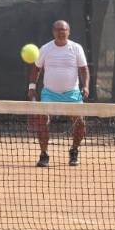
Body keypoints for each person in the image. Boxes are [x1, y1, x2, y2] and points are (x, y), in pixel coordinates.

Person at [28, 19, 89, 168]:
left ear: (69, 32)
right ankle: (44, 154)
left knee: (80, 122)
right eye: (58, 30)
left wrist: (86, 86)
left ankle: (74, 151)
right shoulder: (45, 48)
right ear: (53, 32)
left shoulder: (76, 48)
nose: (61, 32)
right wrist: (32, 87)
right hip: (49, 93)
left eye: (64, 30)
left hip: (72, 93)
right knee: (42, 120)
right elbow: (36, 68)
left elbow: (83, 69)